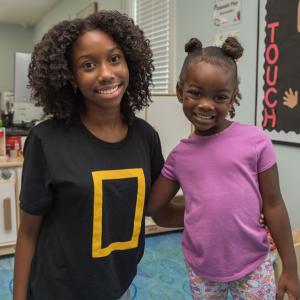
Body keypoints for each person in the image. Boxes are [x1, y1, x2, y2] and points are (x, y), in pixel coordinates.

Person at [13, 11, 164, 300]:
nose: (106, 73)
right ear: (70, 77)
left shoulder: (146, 137)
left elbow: (156, 208)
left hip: (116, 285)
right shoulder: (46, 140)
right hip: (56, 290)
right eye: (88, 65)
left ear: (129, 62)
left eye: (114, 58)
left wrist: (225, 212)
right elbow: (29, 232)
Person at [148, 37, 300, 299]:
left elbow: (273, 205)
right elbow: (155, 209)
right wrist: (198, 214)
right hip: (202, 269)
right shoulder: (179, 156)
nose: (206, 104)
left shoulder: (256, 141)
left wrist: (291, 267)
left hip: (254, 264)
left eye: (220, 97)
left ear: (233, 99)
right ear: (180, 90)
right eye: (196, 93)